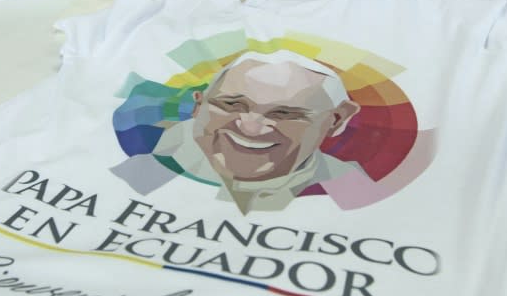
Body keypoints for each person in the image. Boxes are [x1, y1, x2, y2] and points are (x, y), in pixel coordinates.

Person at [110, 50, 363, 214]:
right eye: (232, 105)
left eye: (285, 114)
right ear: (199, 104)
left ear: (336, 120)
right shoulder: (143, 172)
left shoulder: (350, 188)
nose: (251, 127)